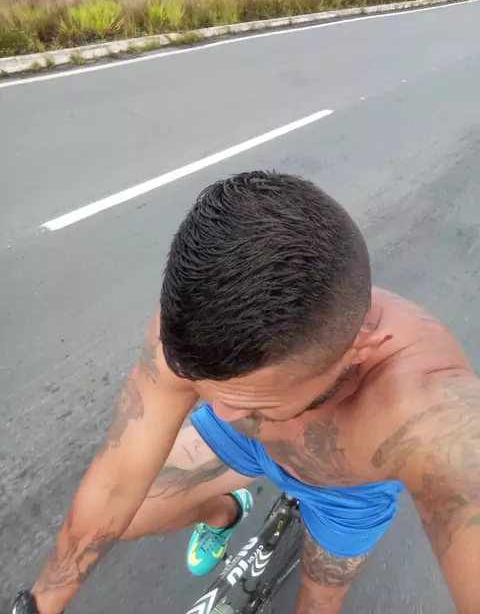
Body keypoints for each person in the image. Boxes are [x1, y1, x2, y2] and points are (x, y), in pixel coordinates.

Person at [13, 171, 480, 614]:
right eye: (200, 389)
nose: (215, 410)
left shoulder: (423, 408)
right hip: (246, 447)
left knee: (318, 603)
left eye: (253, 403)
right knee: (122, 520)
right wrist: (39, 605)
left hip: (344, 491)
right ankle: (226, 512)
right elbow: (117, 481)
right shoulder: (189, 339)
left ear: (358, 351)